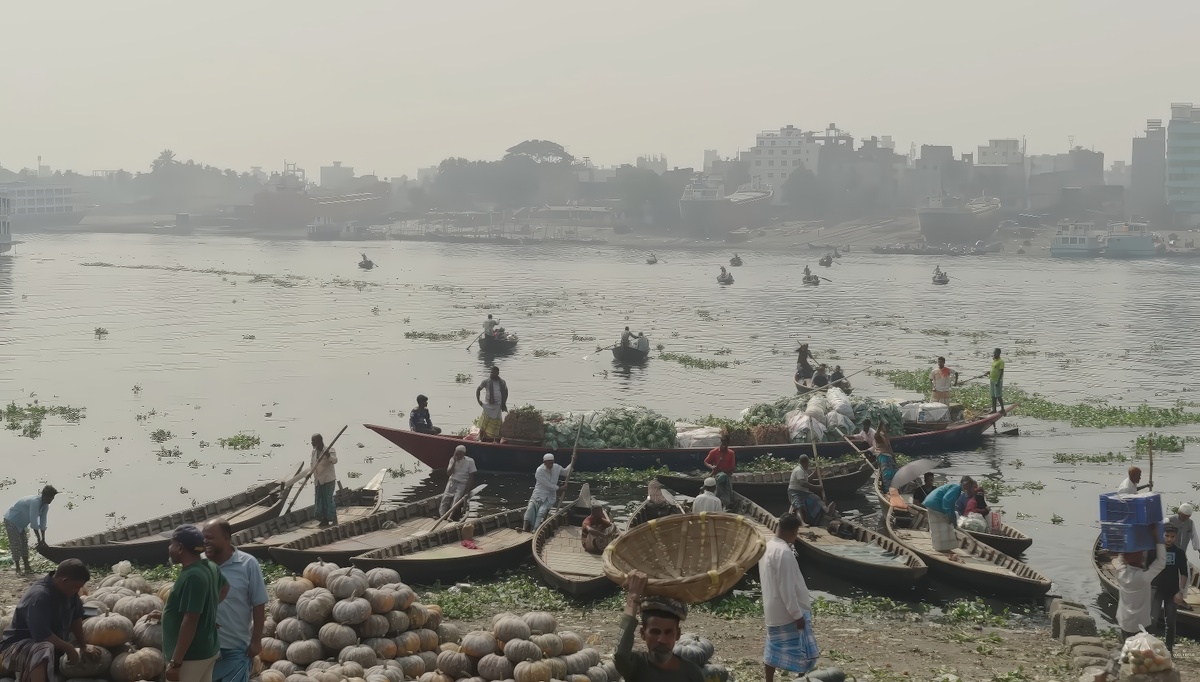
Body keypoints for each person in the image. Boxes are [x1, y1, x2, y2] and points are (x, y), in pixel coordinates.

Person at [0, 559, 98, 682]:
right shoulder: (39, 596)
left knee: (60, 645)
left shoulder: (69, 592)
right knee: (44, 647)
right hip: (16, 649)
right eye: (76, 587)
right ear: (64, 581)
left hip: (49, 645)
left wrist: (83, 646)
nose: (78, 590)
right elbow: (42, 636)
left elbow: (76, 618)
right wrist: (69, 648)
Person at [202, 520, 268, 682]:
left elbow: (259, 604)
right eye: (203, 538)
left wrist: (256, 640)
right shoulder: (200, 564)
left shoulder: (248, 564)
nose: (205, 542)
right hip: (203, 648)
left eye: (210, 538)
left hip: (235, 647)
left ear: (226, 537)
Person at [163, 525, 229, 682]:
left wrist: (176, 663)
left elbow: (190, 620)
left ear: (180, 548)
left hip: (190, 658)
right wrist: (208, 613)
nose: (169, 548)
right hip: (207, 650)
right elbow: (224, 588)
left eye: (171, 544)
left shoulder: (192, 577)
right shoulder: (210, 566)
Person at [759, 513, 819, 681]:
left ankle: (769, 680)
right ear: (793, 531)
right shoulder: (784, 552)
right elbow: (787, 588)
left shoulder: (767, 546)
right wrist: (797, 614)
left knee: (773, 649)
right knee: (804, 651)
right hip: (788, 612)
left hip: (772, 609)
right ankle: (800, 679)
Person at [614, 571, 705, 682]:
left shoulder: (692, 673)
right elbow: (620, 654)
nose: (662, 640)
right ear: (643, 633)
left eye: (668, 632)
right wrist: (633, 597)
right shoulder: (637, 666)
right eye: (655, 632)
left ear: (678, 634)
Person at [1115, 523, 1166, 643]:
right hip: (1140, 624)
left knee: (1127, 647)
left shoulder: (1121, 574)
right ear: (1141, 560)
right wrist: (1158, 537)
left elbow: (1121, 559)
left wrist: (1126, 536)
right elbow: (1161, 562)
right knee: (1139, 649)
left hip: (1124, 621)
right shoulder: (1143, 578)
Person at [3, 486, 57, 575]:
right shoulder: (35, 502)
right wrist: (39, 539)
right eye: (51, 497)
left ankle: (27, 566)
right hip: (12, 520)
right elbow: (34, 522)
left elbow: (43, 522)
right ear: (45, 496)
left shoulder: (45, 506)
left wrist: (43, 539)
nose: (52, 499)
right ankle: (18, 568)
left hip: (21, 524)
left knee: (24, 543)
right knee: (16, 544)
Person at [1151, 525, 1187, 651]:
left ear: (1176, 537)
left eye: (1172, 536)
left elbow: (1184, 573)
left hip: (1172, 591)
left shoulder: (1179, 553)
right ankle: (1149, 646)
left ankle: (1169, 648)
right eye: (1166, 536)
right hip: (1155, 589)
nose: (1169, 539)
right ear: (1162, 535)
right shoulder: (1154, 550)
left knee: (1170, 622)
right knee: (1152, 619)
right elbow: (1146, 568)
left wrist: (1181, 592)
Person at [922, 477, 978, 559]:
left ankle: (940, 547)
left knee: (939, 527)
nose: (969, 488)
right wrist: (950, 517)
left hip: (932, 503)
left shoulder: (957, 488)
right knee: (944, 526)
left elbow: (950, 504)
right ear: (965, 484)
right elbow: (947, 501)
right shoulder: (956, 488)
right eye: (969, 485)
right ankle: (942, 548)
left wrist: (952, 518)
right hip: (935, 503)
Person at [523, 454, 572, 532]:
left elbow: (566, 473)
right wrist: (559, 488)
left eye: (552, 463)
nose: (551, 465)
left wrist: (572, 462)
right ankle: (524, 529)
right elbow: (547, 485)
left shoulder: (556, 467)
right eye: (549, 463)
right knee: (530, 508)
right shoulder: (539, 470)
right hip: (539, 494)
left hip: (549, 496)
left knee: (541, 512)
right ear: (544, 462)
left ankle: (535, 530)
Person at [787, 456, 834, 527]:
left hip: (804, 492)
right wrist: (816, 487)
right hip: (795, 492)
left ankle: (826, 510)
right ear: (806, 463)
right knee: (799, 506)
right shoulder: (799, 470)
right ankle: (802, 522)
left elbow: (806, 480)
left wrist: (815, 473)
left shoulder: (803, 470)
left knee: (816, 498)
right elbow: (803, 483)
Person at [309, 433, 338, 527]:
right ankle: (324, 520)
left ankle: (334, 519)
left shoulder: (330, 449)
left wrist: (328, 456)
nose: (312, 443)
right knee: (320, 500)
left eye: (313, 441)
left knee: (328, 499)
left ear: (319, 441)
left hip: (328, 479)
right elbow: (312, 464)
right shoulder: (314, 452)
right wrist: (310, 473)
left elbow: (334, 461)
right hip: (318, 479)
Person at [440, 445, 476, 519]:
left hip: (462, 483)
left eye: (459, 454)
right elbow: (449, 473)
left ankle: (450, 517)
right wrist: (454, 462)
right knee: (445, 498)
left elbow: (471, 477)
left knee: (456, 500)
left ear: (463, 454)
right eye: (456, 453)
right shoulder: (452, 459)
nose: (457, 455)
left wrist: (466, 491)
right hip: (452, 481)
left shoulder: (470, 461)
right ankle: (442, 516)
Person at [476, 366, 508, 443]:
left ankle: (495, 440)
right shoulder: (486, 382)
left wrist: (504, 403)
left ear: (498, 373)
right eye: (491, 372)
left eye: (493, 372)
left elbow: (506, 392)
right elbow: (478, 389)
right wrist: (479, 400)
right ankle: (480, 439)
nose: (491, 374)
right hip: (488, 406)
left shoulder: (502, 382)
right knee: (484, 423)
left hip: (498, 406)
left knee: (497, 424)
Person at [704, 433, 736, 508]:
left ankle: (727, 504)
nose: (724, 446)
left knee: (728, 491)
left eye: (726, 445)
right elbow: (706, 462)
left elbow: (732, 467)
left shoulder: (731, 453)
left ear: (728, 444)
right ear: (720, 442)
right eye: (723, 444)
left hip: (727, 476)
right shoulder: (713, 452)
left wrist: (722, 470)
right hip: (716, 475)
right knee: (716, 490)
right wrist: (712, 467)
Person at [988, 348, 1005, 414]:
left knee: (998, 395)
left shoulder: (1001, 361)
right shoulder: (994, 361)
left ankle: (1002, 409)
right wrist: (988, 372)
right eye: (994, 352)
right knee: (993, 396)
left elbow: (1001, 372)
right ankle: (994, 409)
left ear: (999, 353)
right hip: (992, 379)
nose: (994, 354)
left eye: (995, 353)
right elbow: (993, 369)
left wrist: (998, 381)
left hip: (997, 380)